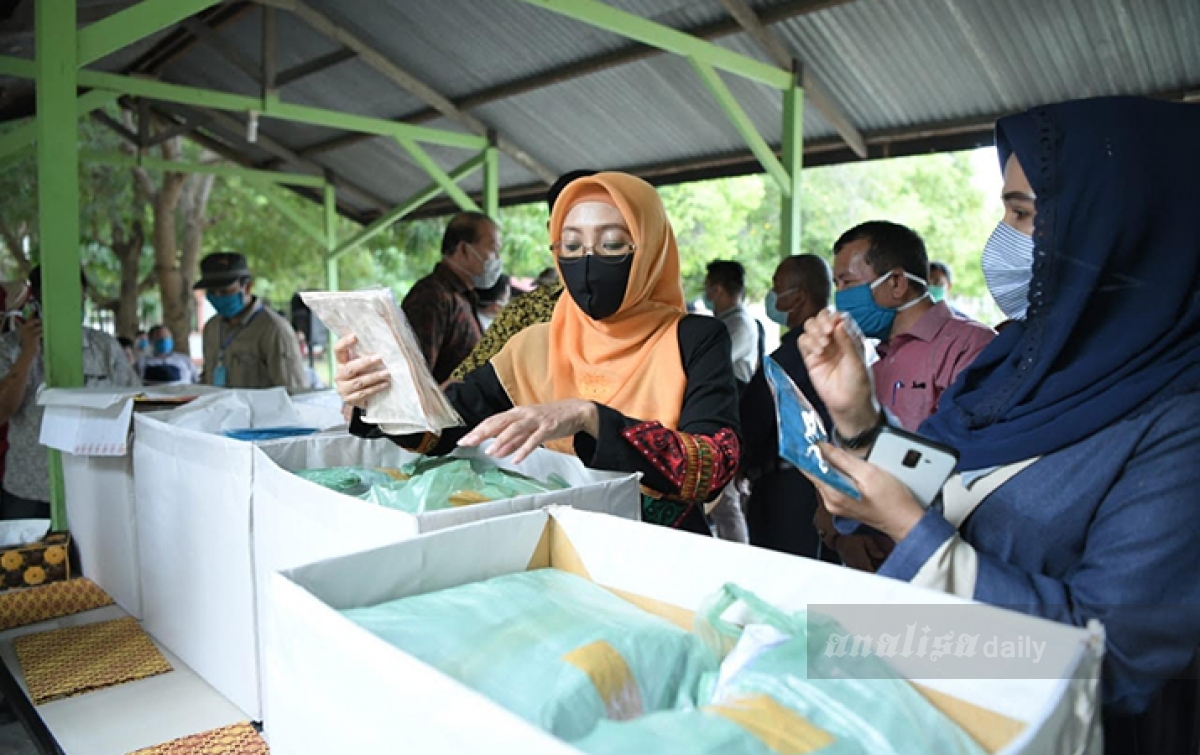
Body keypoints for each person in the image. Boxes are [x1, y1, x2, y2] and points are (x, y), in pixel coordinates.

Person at [797, 97, 1200, 752]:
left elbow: (1113, 661)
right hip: (930, 679)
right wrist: (861, 422)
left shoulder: (1179, 422)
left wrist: (909, 529)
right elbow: (944, 474)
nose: (1003, 237)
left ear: (1118, 230)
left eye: (1024, 213)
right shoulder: (1023, 361)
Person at [336, 172, 741, 534]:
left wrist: (588, 417)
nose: (587, 260)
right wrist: (378, 398)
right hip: (553, 544)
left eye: (613, 243)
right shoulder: (535, 344)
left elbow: (715, 462)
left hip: (659, 546)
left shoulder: (695, 338)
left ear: (651, 247)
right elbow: (446, 424)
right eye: (570, 245)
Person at [0, 267, 140, 518]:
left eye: (80, 299)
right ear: (38, 302)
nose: (73, 305)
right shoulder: (10, 348)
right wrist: (28, 353)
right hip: (30, 490)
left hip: (97, 485)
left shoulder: (104, 348)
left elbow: (136, 407)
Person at [832, 221, 995, 431]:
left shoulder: (969, 346)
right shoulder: (875, 359)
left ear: (897, 283)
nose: (840, 297)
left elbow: (971, 443)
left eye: (848, 283)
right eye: (837, 285)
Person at [736, 255, 840, 560]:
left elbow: (754, 421)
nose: (772, 296)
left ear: (798, 297)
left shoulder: (793, 354)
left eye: (776, 287)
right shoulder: (845, 344)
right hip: (833, 485)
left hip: (789, 489)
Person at [449, 170, 596, 382]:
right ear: (553, 230)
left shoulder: (650, 311)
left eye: (611, 236)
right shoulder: (524, 314)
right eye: (576, 228)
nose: (592, 243)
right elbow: (463, 387)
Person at [402, 212, 503, 385]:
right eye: (493, 249)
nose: (498, 259)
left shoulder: (463, 297)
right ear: (464, 249)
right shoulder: (432, 297)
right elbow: (415, 381)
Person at [194, 252, 307, 392]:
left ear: (247, 286)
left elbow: (294, 390)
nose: (217, 297)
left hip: (261, 413)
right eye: (211, 292)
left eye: (224, 292)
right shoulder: (211, 328)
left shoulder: (273, 329)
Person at [703, 260, 762, 391]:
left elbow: (713, 363)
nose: (705, 293)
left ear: (718, 290)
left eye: (707, 287)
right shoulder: (724, 321)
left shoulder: (740, 324)